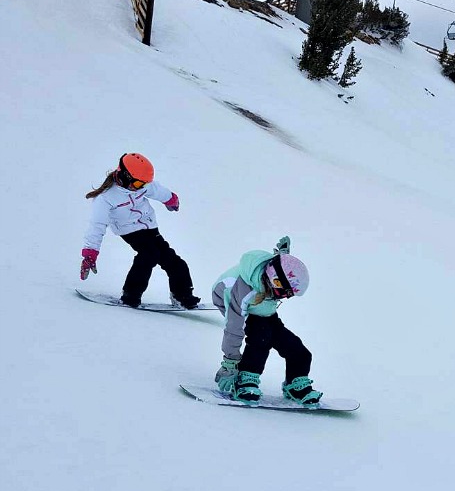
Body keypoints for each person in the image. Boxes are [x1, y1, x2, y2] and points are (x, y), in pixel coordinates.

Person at [81, 152, 200, 309]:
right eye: (138, 185)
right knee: (149, 255)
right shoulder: (106, 198)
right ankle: (131, 295)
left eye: (143, 185)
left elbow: (157, 190)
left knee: (174, 261)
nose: (140, 188)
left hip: (149, 226)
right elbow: (97, 226)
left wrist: (171, 199)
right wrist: (90, 253)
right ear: (124, 176)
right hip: (129, 231)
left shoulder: (141, 185)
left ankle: (182, 296)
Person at [212, 237, 323, 406]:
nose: (285, 298)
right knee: (261, 338)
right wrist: (230, 362)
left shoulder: (272, 275)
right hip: (234, 303)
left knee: (299, 351)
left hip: (263, 310)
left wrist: (283, 256)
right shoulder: (244, 290)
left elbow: (279, 267)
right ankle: (245, 380)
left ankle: (295, 385)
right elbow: (233, 328)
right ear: (275, 282)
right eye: (284, 293)